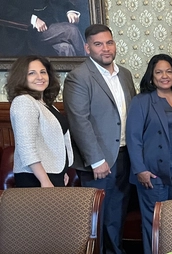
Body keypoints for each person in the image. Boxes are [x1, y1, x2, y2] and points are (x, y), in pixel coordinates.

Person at [63, 24, 136, 254]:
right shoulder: (78, 77)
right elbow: (79, 121)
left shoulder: (124, 74)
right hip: (99, 162)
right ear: (87, 48)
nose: (105, 48)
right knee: (98, 219)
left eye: (109, 42)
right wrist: (96, 160)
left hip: (124, 156)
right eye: (98, 44)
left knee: (117, 216)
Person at [126, 54, 172, 254]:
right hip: (153, 172)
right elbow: (133, 137)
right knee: (154, 224)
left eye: (169, 71)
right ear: (151, 76)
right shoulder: (142, 101)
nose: (165, 76)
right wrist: (140, 169)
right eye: (159, 72)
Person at [6, 55, 73, 187]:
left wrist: (62, 172)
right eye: (32, 73)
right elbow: (26, 147)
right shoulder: (24, 101)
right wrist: (44, 180)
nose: (40, 77)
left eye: (43, 72)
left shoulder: (47, 104)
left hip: (53, 174)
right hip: (36, 178)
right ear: (21, 77)